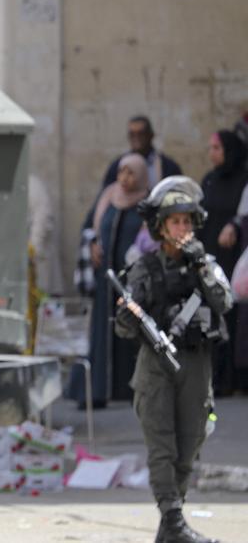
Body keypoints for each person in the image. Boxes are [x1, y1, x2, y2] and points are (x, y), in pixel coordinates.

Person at [115, 176, 230, 543]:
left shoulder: (206, 265)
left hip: (195, 365)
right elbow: (123, 326)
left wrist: (202, 267)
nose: (181, 228)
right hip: (156, 365)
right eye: (174, 221)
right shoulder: (145, 268)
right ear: (161, 227)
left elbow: (224, 302)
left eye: (186, 221)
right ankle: (173, 519)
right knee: (161, 445)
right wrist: (128, 317)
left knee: (190, 441)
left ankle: (171, 524)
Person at [70, 154, 149, 407]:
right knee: (101, 332)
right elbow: (90, 226)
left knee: (130, 329)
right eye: (121, 172)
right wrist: (92, 243)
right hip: (105, 280)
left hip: (132, 280)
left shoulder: (148, 203)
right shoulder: (108, 197)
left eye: (131, 173)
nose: (125, 179)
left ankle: (127, 390)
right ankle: (96, 391)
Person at [198, 131, 248, 396]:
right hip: (211, 258)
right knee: (213, 317)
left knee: (234, 318)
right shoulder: (209, 180)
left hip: (235, 261)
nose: (212, 153)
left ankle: (237, 377)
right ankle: (217, 378)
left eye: (217, 148)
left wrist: (232, 226)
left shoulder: (243, 180)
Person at [100, 116, 182, 190]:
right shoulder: (118, 165)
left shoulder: (168, 166)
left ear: (151, 135)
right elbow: (106, 193)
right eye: (132, 135)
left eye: (141, 134)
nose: (136, 139)